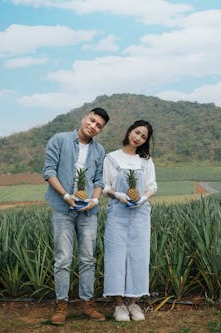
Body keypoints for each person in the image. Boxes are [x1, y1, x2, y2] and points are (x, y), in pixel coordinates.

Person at [43, 107, 110, 325]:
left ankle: (87, 303)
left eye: (99, 125)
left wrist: (95, 199)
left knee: (88, 258)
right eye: (92, 121)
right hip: (63, 208)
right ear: (84, 118)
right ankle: (61, 305)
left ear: (101, 130)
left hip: (88, 211)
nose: (93, 126)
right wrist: (65, 196)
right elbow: (49, 172)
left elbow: (99, 180)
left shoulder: (99, 151)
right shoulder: (59, 140)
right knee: (63, 258)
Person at [102, 119, 157, 321]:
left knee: (139, 257)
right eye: (137, 132)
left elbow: (152, 185)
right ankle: (118, 306)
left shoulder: (146, 161)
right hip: (117, 213)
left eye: (143, 136)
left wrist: (143, 197)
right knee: (115, 258)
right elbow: (106, 186)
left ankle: (133, 303)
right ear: (129, 131)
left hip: (141, 214)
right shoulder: (112, 158)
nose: (138, 138)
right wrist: (118, 195)